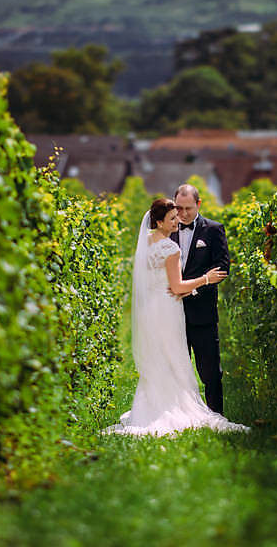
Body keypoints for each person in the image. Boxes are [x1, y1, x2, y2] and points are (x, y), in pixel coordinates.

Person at [104, 197, 248, 436]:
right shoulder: (171, 248)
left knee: (158, 357)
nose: (177, 221)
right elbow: (178, 287)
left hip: (151, 308)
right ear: (159, 221)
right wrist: (205, 279)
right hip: (168, 308)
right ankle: (172, 407)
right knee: (172, 356)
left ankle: (150, 407)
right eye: (172, 218)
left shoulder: (147, 241)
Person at [169, 184, 230, 414]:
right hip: (171, 312)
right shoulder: (167, 230)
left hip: (202, 313)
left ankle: (216, 415)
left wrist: (191, 289)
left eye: (188, 208)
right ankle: (178, 416)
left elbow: (222, 269)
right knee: (175, 370)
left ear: (199, 204)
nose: (183, 214)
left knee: (211, 371)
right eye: (179, 208)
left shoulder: (213, 230)